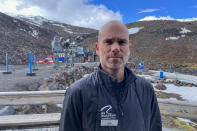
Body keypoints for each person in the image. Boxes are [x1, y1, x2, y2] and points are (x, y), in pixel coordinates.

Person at [60, 21, 162, 131]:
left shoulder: (146, 89)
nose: (115, 48)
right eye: (108, 42)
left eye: (122, 42)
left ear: (129, 48)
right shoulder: (77, 93)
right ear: (97, 48)